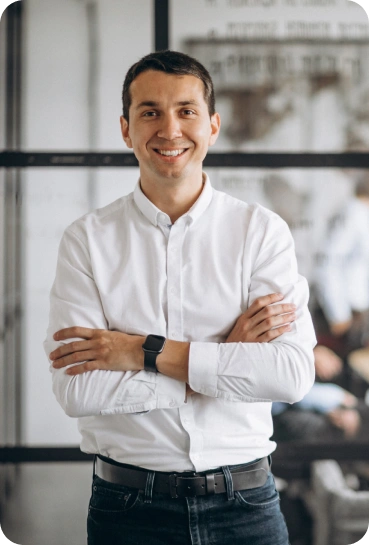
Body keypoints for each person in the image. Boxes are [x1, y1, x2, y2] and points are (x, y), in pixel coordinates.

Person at [44, 50, 316, 545]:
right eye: (150, 112)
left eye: (186, 111)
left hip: (246, 506)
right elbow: (76, 391)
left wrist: (140, 352)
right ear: (126, 129)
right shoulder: (86, 239)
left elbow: (291, 375)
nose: (169, 130)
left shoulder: (261, 233)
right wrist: (218, 361)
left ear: (212, 126)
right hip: (128, 509)